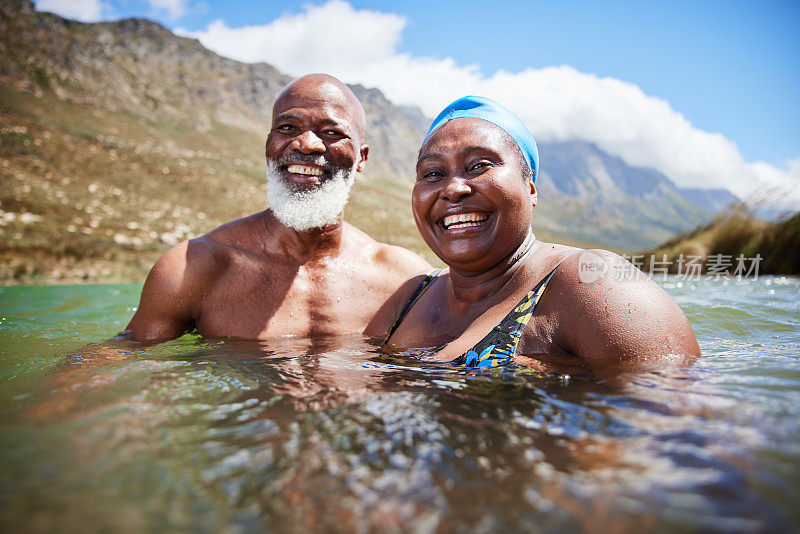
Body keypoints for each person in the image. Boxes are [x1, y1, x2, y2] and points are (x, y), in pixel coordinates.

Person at [371, 96, 700, 371]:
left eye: (479, 165)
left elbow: (680, 430)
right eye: (433, 173)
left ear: (530, 188)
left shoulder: (594, 283)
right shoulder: (408, 299)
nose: (453, 189)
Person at [123, 74, 430, 342]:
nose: (306, 144)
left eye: (332, 132)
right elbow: (125, 367)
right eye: (287, 127)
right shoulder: (192, 270)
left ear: (361, 158)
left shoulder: (404, 279)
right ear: (268, 145)